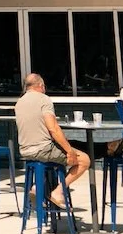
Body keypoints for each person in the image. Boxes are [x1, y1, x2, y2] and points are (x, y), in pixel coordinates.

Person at [14, 73, 89, 208]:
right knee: (84, 160)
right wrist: (69, 151)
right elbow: (53, 128)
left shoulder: (20, 102)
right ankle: (58, 192)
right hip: (43, 148)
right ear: (41, 86)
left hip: (25, 150)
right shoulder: (44, 99)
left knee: (53, 160)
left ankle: (38, 187)